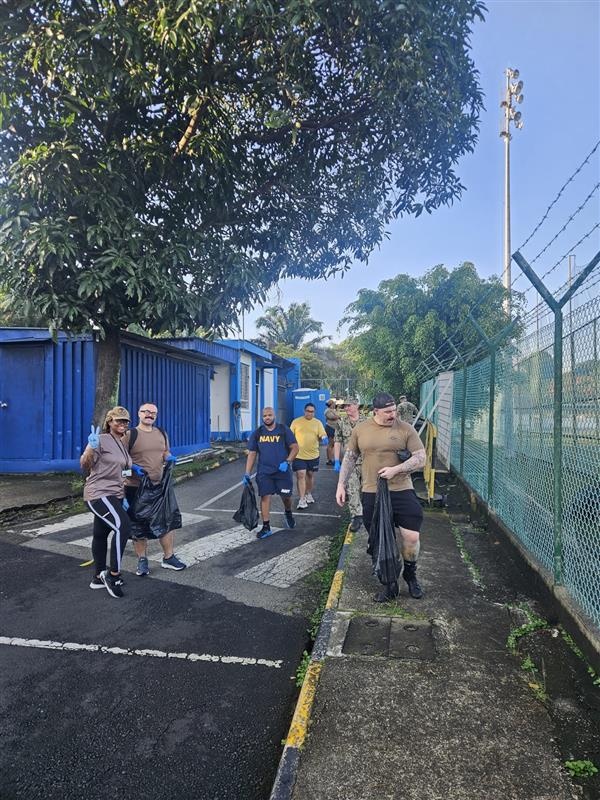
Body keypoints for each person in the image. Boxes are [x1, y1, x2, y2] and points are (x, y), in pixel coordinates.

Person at [335, 391, 426, 602]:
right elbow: (350, 457)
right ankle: (389, 584)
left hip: (401, 488)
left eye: (394, 410)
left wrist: (397, 469)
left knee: (411, 536)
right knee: (379, 540)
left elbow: (420, 458)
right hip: (371, 491)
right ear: (375, 411)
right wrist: (341, 484)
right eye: (387, 412)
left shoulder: (405, 429)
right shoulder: (361, 430)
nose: (393, 415)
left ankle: (410, 575)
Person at [123, 402, 186, 576]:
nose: (150, 415)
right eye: (146, 412)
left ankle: (169, 557)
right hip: (135, 487)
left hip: (160, 486)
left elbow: (165, 452)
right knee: (138, 526)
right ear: (139, 414)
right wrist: (133, 469)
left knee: (166, 521)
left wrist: (169, 457)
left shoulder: (161, 433)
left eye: (153, 413)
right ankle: (142, 560)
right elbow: (120, 460)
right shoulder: (130, 435)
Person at [80, 406, 133, 599]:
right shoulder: (100, 440)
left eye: (125, 421)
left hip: (115, 494)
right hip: (98, 493)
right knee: (123, 527)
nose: (122, 424)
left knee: (100, 534)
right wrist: (91, 448)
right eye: (118, 420)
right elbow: (85, 464)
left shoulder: (122, 443)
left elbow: (122, 473)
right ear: (109, 422)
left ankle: (97, 577)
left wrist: (124, 496)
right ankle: (113, 575)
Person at [243, 407, 299, 539]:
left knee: (286, 497)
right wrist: (247, 472)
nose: (267, 418)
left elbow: (295, 447)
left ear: (274, 416)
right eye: (264, 416)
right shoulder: (258, 433)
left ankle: (288, 512)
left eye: (269, 415)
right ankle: (266, 526)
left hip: (282, 472)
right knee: (265, 497)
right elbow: (252, 453)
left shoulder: (283, 430)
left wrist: (288, 461)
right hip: (264, 472)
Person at [333, 399, 367, 532]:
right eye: (345, 406)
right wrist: (336, 460)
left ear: (356, 406)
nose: (346, 408)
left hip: (366, 461)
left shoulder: (367, 422)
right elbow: (337, 441)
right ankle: (357, 516)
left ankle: (368, 512)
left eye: (349, 405)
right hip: (350, 462)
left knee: (367, 488)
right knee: (352, 488)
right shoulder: (341, 423)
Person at [290, 402, 328, 510]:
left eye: (312, 411)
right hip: (299, 455)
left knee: (310, 475)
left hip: (313, 455)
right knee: (301, 475)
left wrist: (324, 438)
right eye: (308, 411)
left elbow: (322, 434)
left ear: (314, 412)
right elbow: (290, 435)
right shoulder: (296, 422)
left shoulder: (318, 423)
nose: (309, 413)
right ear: (304, 411)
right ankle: (302, 499)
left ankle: (308, 493)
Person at [324, 398, 341, 465]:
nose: (334, 405)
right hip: (330, 428)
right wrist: (338, 416)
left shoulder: (332, 410)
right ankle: (329, 460)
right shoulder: (327, 411)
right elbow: (333, 417)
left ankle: (333, 459)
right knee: (330, 444)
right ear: (330, 404)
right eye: (333, 403)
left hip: (334, 428)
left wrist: (337, 416)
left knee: (334, 445)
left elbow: (336, 417)